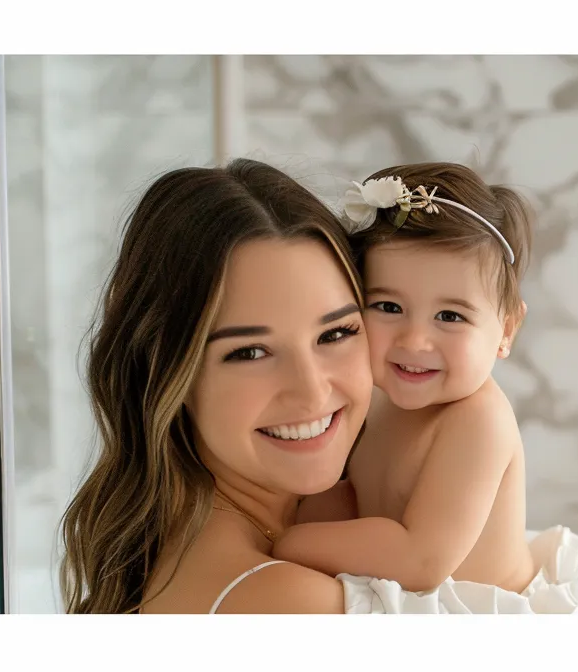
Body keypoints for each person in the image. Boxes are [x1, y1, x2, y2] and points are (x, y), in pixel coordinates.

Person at [269, 162, 578, 614]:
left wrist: (290, 542)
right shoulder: (374, 399)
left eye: (450, 317)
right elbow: (345, 494)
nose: (414, 341)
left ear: (506, 329)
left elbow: (422, 559)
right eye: (389, 306)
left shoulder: (478, 420)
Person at [58, 158, 376, 614]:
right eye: (249, 352)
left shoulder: (198, 543)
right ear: (170, 372)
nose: (311, 391)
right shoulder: (283, 603)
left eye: (336, 334)